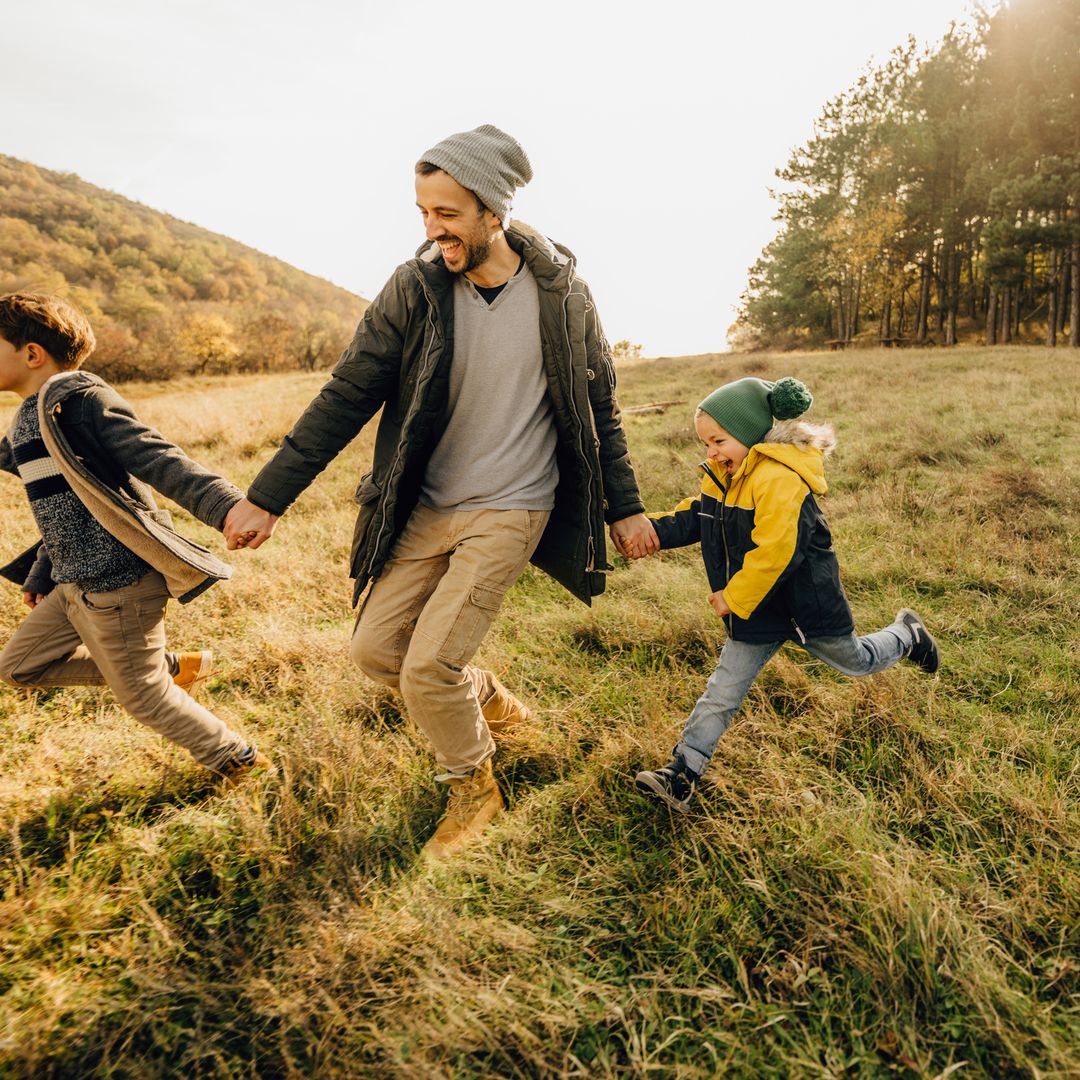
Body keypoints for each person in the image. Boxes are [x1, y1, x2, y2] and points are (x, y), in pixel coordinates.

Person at [223, 124, 657, 857]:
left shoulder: (563, 295)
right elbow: (346, 394)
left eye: (448, 214)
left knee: (428, 667)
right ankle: (486, 701)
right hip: (425, 505)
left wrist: (626, 505)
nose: (433, 230)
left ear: (494, 211)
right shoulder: (416, 287)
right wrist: (267, 497)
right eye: (424, 212)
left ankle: (472, 787)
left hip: (514, 504)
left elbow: (597, 408)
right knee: (375, 652)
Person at [628, 376, 939, 812]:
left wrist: (733, 598)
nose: (711, 452)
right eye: (705, 444)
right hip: (757, 613)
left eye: (719, 440)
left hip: (805, 605)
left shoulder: (778, 478)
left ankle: (907, 634)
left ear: (751, 432)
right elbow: (697, 516)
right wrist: (652, 533)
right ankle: (681, 773)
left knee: (856, 661)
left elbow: (776, 551)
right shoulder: (723, 476)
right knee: (723, 691)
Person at [0, 293, 271, 783]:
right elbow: (63, 506)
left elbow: (159, 458)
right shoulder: (24, 420)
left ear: (31, 354)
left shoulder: (79, 402)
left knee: (141, 696)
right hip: (71, 585)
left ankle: (240, 760)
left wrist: (229, 507)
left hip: (118, 582)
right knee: (19, 668)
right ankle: (172, 667)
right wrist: (44, 570)